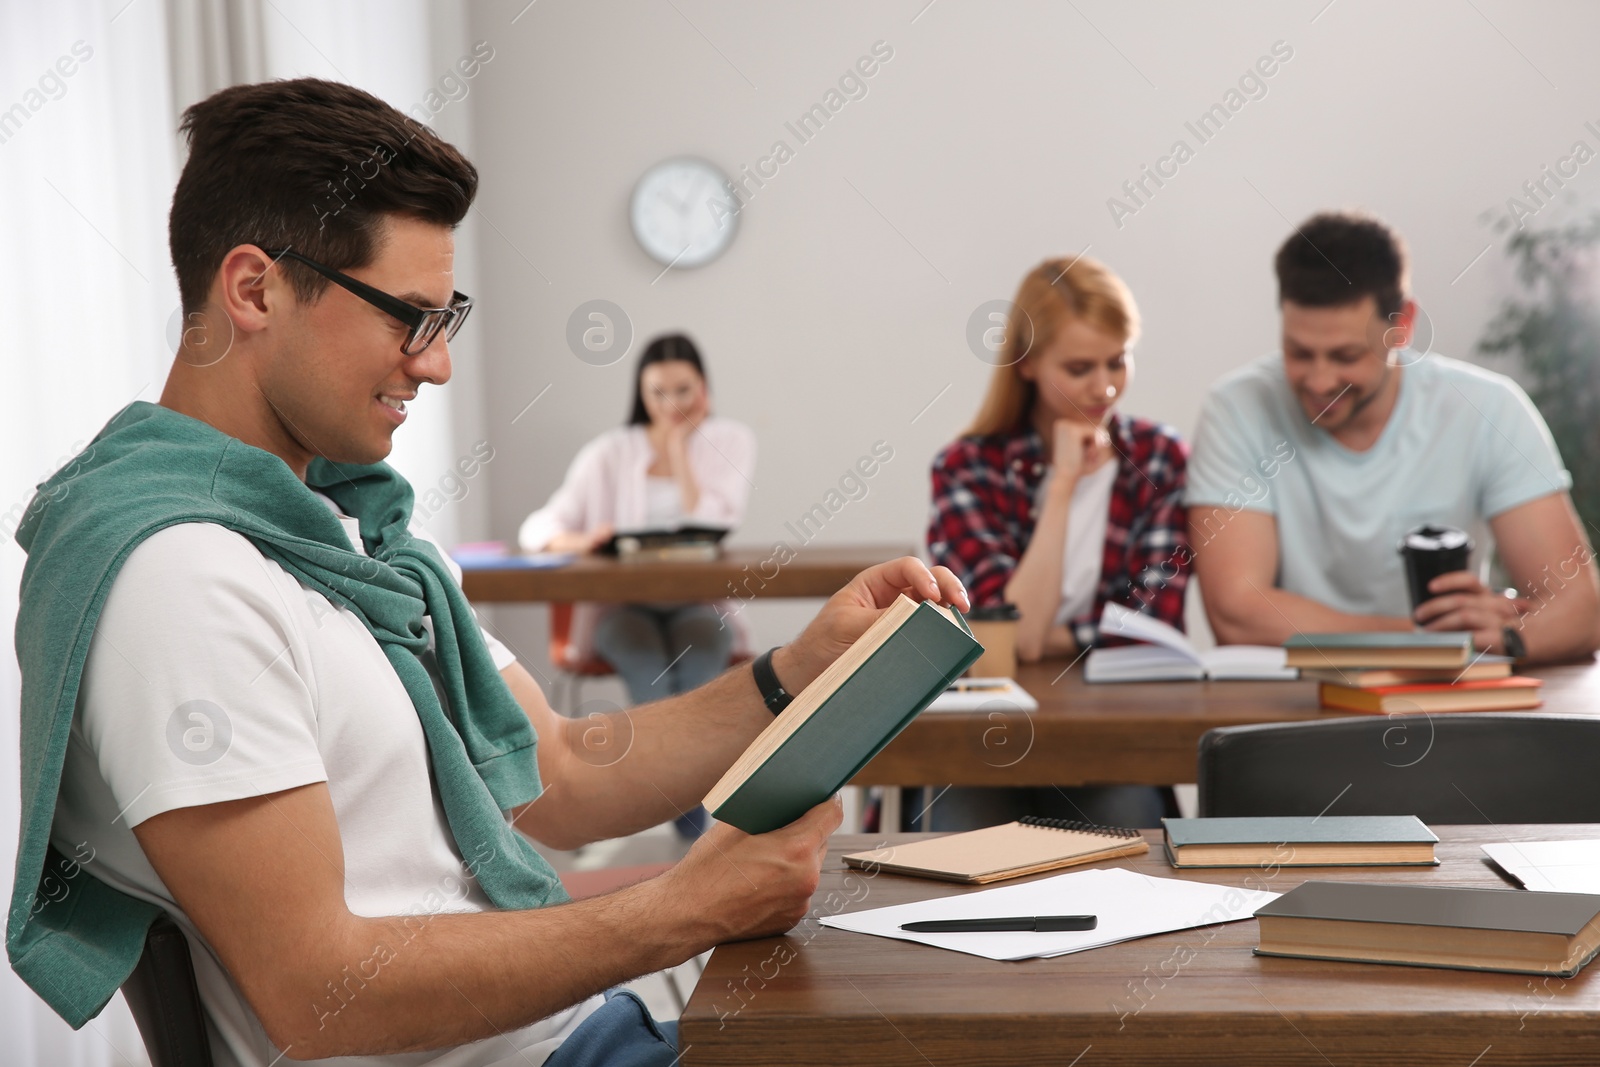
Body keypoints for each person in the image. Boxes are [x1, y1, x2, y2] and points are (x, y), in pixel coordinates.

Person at [7, 78, 969, 1067]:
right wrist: (685, 906)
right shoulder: (181, 580)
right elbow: (317, 991)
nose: (436, 365)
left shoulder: (353, 536)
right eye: (407, 316)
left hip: (579, 1032)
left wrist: (794, 672)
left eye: (445, 317)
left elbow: (557, 770)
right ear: (254, 290)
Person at [1187, 210, 1600, 663]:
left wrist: (1508, 638)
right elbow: (1238, 614)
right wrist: (1429, 636)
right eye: (1299, 353)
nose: (1321, 381)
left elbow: (1581, 610)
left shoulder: (1488, 408)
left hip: (1445, 704)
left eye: (1346, 355)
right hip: (1296, 707)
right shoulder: (1237, 407)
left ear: (1402, 325)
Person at [925, 255, 1190, 830]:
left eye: (1118, 360)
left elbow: (1155, 628)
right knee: (962, 833)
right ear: (1026, 364)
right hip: (981, 737)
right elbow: (1004, 635)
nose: (1106, 386)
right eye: (1079, 368)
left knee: (1126, 826)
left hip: (1108, 735)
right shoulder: (965, 468)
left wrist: (1047, 636)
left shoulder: (1159, 459)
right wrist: (1064, 486)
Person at [519, 334, 755, 835]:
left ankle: (688, 831)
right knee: (655, 693)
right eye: (658, 393)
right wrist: (584, 540)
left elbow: (716, 518)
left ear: (705, 389)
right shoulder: (609, 452)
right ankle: (697, 834)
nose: (671, 404)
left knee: (697, 692)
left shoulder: (730, 439)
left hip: (700, 606)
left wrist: (676, 445)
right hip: (621, 611)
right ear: (640, 393)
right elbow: (536, 529)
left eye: (684, 391)